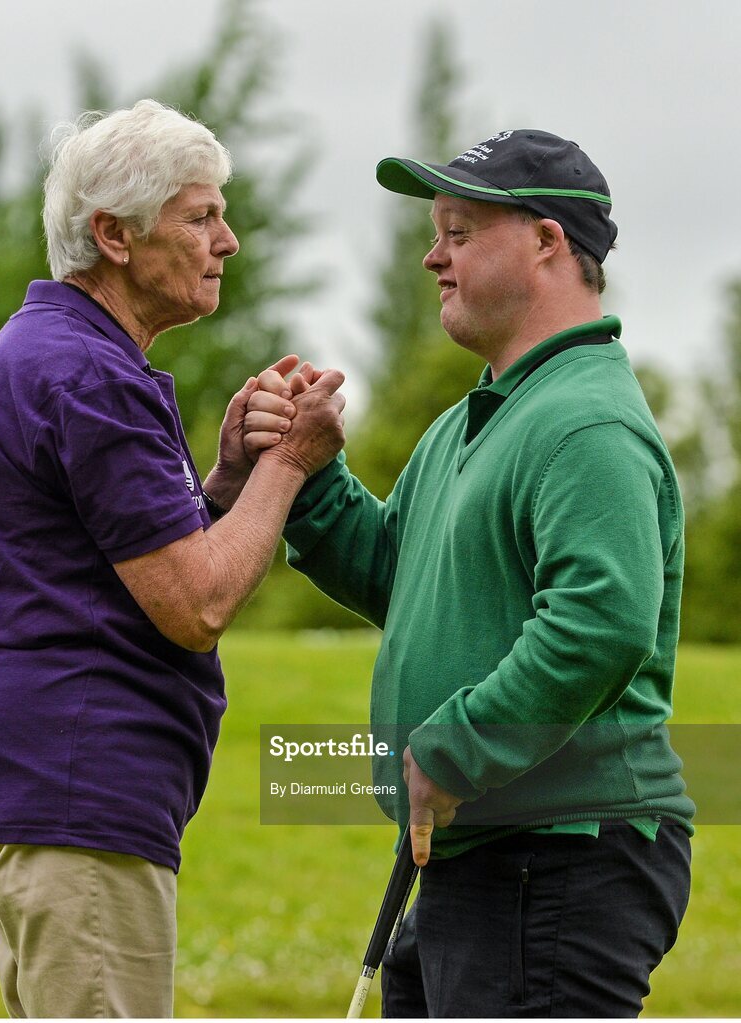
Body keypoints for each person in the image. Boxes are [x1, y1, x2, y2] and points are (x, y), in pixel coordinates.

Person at [243, 129, 695, 1017]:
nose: (430, 256)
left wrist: (451, 748)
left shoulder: (584, 424)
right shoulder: (474, 420)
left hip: (558, 857)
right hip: (490, 853)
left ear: (545, 243)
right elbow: (399, 577)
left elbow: (601, 621)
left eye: (457, 231)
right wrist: (304, 472)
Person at [0, 99, 345, 1019]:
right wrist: (290, 463)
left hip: (30, 788)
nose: (228, 240)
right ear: (113, 235)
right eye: (200, 217)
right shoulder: (90, 375)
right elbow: (193, 604)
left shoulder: (50, 357)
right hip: (74, 792)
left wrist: (230, 480)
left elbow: (113, 568)